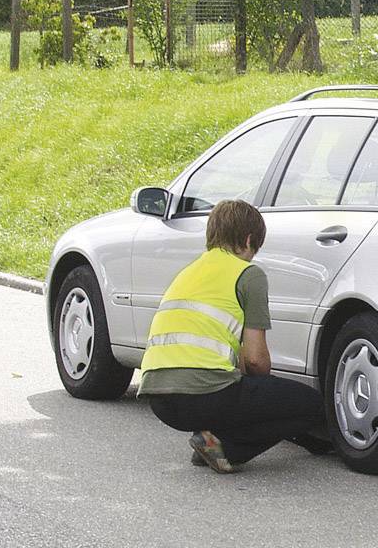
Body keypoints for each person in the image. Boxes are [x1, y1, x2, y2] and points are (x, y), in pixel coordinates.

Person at [138, 199, 325, 473]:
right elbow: (256, 360)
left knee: (240, 393)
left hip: (159, 400)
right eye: (255, 249)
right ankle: (227, 449)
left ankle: (209, 442)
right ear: (248, 240)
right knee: (310, 404)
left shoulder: (189, 272)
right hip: (203, 395)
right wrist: (270, 394)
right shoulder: (248, 275)